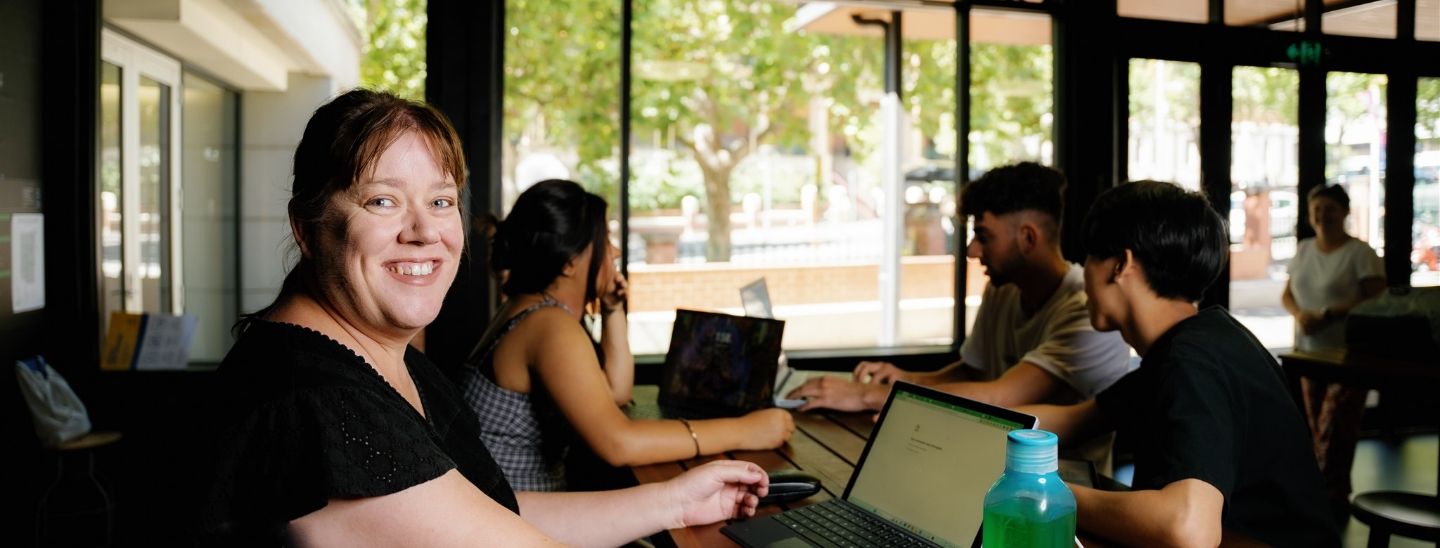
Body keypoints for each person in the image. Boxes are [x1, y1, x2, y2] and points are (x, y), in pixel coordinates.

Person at [199, 89, 769, 546]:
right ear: (307, 226)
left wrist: (675, 501)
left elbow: (488, 514)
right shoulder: (318, 403)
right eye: (383, 200)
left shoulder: (381, 361)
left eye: (441, 201)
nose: (424, 232)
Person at [1025, 181, 1338, 547]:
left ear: (1121, 265)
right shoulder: (1193, 343)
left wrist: (1043, 492)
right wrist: (972, 423)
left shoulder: (1192, 359)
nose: (1084, 280)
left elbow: (1188, 529)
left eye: (1091, 257)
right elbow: (1073, 419)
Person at [462, 179, 794, 492]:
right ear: (569, 263)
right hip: (520, 528)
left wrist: (611, 308)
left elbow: (614, 393)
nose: (616, 252)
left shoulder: (523, 309)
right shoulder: (549, 326)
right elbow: (619, 443)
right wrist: (746, 430)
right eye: (605, 241)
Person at [786, 163, 1130, 414]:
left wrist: (863, 396)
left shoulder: (1086, 312)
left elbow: (1001, 396)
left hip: (1063, 493)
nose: (971, 251)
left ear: (1028, 238)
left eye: (983, 236)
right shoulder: (1003, 289)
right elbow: (971, 372)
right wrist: (904, 380)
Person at [1282, 183, 1385, 512]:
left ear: (1344, 213)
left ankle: (1320, 497)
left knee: (1335, 424)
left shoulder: (1360, 253)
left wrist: (1328, 314)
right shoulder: (1304, 250)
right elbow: (1287, 293)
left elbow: (1376, 297)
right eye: (1317, 210)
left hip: (1350, 355)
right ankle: (1333, 494)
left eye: (1330, 209)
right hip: (1309, 352)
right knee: (1319, 428)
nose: (1322, 215)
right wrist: (1300, 315)